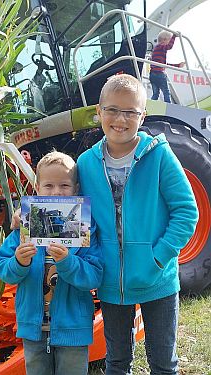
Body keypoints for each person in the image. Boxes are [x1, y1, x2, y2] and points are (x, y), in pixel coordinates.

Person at [77, 73, 199, 375]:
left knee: (163, 364)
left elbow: (186, 211)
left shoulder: (159, 156)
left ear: (142, 115)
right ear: (99, 112)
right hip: (110, 283)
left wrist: (158, 256)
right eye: (113, 110)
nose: (121, 119)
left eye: (131, 111)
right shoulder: (85, 164)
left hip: (157, 280)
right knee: (117, 363)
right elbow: (75, 216)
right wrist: (28, 219)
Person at [0, 151, 103, 375]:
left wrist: (67, 261)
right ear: (36, 188)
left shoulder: (86, 228)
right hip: (33, 329)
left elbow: (94, 275)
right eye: (49, 185)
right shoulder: (23, 228)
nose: (56, 192)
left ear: (76, 189)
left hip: (73, 329)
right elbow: (3, 271)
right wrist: (18, 263)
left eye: (64, 185)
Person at [149, 30, 185, 103]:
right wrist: (174, 36)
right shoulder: (161, 46)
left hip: (152, 74)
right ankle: (168, 105)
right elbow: (170, 46)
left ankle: (150, 105)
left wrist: (177, 65)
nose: (169, 42)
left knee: (156, 93)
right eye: (169, 40)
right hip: (159, 73)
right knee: (166, 91)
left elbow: (164, 64)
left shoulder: (156, 50)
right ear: (164, 40)